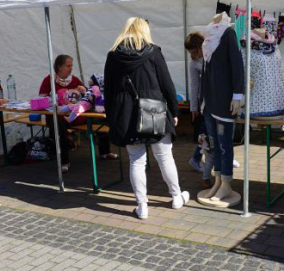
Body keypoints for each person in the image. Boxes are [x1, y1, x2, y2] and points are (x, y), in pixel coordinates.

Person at [104, 17, 188, 220]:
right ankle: (176, 197)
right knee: (164, 157)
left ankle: (142, 207)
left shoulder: (113, 55)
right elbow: (167, 84)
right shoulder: (153, 52)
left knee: (136, 160)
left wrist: (111, 117)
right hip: (154, 110)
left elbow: (109, 90)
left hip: (127, 114)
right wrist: (175, 111)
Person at [197, 12, 244, 208]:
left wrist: (237, 95)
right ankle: (218, 181)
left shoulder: (228, 34)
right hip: (208, 99)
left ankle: (226, 182)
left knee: (225, 144)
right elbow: (206, 70)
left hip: (224, 99)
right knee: (214, 144)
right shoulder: (209, 34)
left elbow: (237, 65)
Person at [39, 54, 118, 173]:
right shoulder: (49, 80)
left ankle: (105, 152)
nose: (71, 68)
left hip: (76, 114)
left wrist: (84, 90)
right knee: (58, 127)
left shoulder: (74, 79)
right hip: (59, 115)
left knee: (101, 118)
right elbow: (41, 99)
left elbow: (87, 95)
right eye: (68, 65)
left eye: (71, 65)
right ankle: (64, 161)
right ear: (59, 67)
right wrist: (53, 101)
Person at [184, 32, 215, 188]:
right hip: (205, 104)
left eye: (194, 50)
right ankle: (197, 159)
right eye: (190, 52)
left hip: (218, 101)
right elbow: (194, 85)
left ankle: (200, 159)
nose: (192, 54)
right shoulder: (194, 63)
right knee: (205, 134)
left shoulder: (213, 54)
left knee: (208, 133)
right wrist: (194, 107)